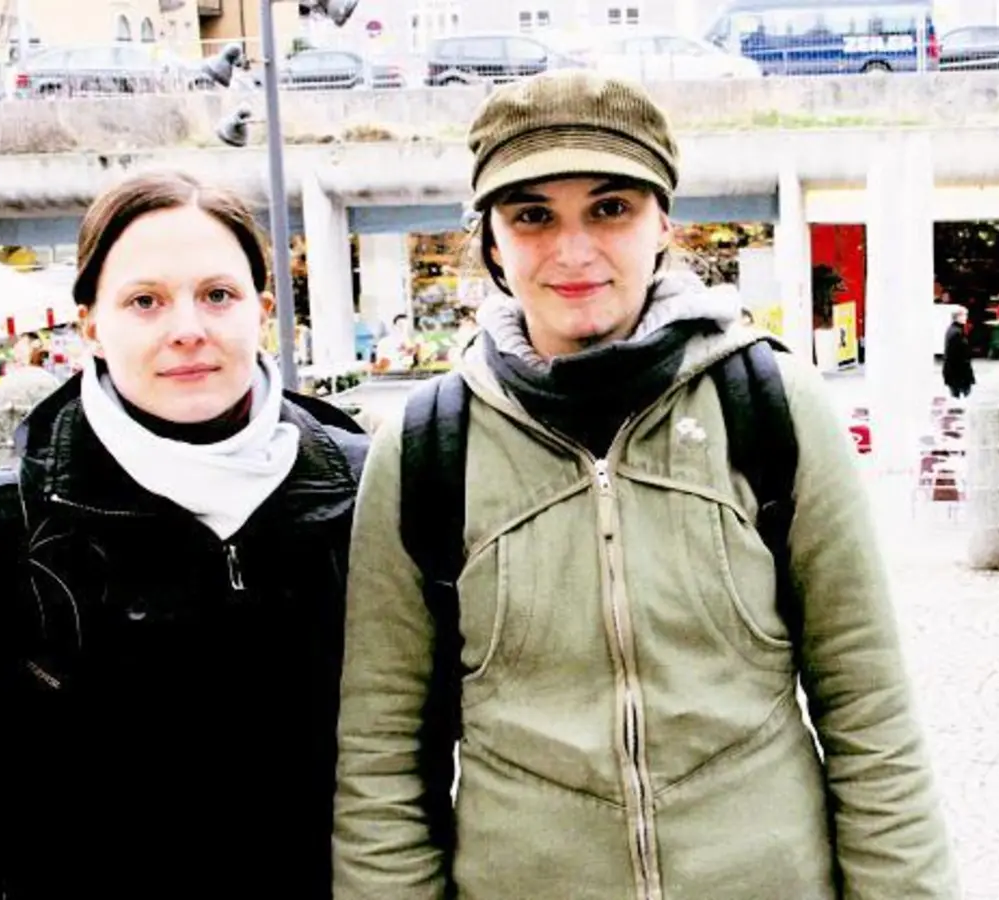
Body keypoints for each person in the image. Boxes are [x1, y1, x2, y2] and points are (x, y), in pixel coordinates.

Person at [333, 70, 956, 900]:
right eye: (532, 216)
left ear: (664, 222)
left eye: (610, 208)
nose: (574, 249)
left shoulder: (772, 408)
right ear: (491, 242)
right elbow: (382, 758)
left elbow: (868, 711)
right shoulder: (423, 448)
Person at [0, 170, 368, 898]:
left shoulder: (361, 487)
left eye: (218, 295)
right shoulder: (15, 520)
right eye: (145, 301)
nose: (187, 328)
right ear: (92, 326)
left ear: (262, 310)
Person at [942, 306, 974, 400]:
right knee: (960, 398)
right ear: (958, 317)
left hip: (955, 372)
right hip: (958, 373)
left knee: (957, 397)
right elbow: (957, 355)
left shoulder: (954, 330)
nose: (966, 318)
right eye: (964, 315)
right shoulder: (956, 332)